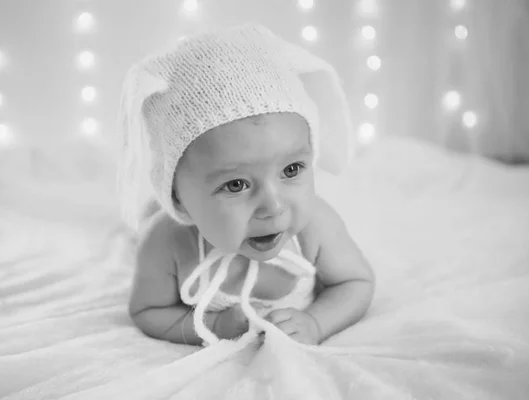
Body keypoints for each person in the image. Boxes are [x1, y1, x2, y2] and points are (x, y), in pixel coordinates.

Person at [118, 23, 374, 346]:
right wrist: (212, 325)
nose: (274, 206)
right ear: (179, 199)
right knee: (144, 222)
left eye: (292, 169)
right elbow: (148, 311)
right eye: (236, 184)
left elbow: (356, 282)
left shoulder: (315, 228)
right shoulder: (167, 243)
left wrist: (316, 322)